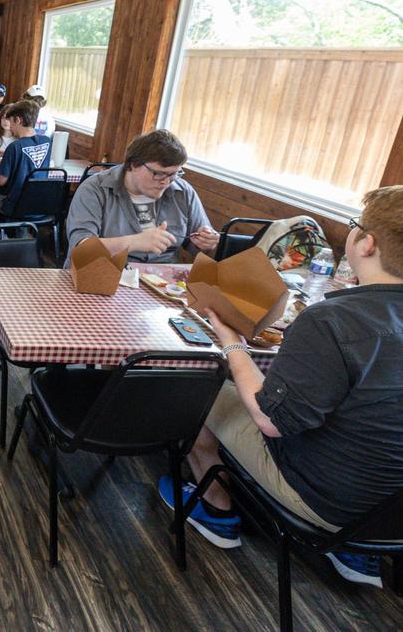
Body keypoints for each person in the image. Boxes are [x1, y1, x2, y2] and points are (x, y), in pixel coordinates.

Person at [160, 186, 403, 588]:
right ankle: (359, 551)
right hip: (391, 511)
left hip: (328, 501)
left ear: (368, 243)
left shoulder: (331, 319)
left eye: (356, 227)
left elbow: (272, 420)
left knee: (202, 386)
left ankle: (216, 508)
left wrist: (230, 338)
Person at [64, 131, 220, 264]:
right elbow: (81, 250)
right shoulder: (95, 189)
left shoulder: (183, 192)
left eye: (173, 174)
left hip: (162, 285)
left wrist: (207, 243)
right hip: (105, 276)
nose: (166, 182)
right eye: (158, 173)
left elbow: (202, 250)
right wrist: (135, 242)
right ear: (133, 165)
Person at [0, 100, 52, 217]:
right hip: (40, 204)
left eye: (11, 122)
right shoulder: (47, 141)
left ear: (18, 120)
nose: (10, 127)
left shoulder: (14, 147)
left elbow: (0, 181)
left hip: (15, 206)